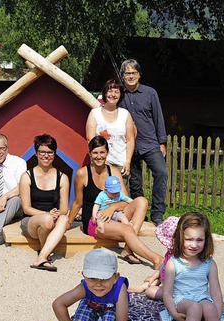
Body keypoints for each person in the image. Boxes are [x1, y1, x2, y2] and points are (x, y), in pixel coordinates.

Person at [68, 136, 163, 268]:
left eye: (102, 152)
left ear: (107, 153)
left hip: (115, 214)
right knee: (127, 229)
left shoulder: (114, 172)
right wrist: (68, 223)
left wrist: (112, 208)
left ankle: (128, 249)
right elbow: (77, 202)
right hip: (95, 220)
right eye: (95, 153)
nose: (99, 156)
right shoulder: (82, 174)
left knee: (141, 201)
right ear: (90, 154)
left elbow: (126, 201)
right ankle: (156, 259)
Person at [160, 212, 224, 321]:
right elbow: (167, 293)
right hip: (181, 300)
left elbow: (216, 293)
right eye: (189, 239)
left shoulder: (209, 263)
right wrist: (174, 313)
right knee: (195, 308)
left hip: (202, 298)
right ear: (180, 238)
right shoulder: (174, 263)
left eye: (199, 240)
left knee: (209, 308)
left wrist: (217, 315)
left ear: (206, 239)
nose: (193, 244)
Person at [118, 59, 168, 226]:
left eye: (133, 73)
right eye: (127, 73)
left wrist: (162, 142)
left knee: (161, 172)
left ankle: (157, 214)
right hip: (129, 145)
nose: (130, 76)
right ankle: (139, 214)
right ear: (123, 76)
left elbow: (158, 117)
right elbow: (106, 103)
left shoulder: (150, 93)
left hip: (150, 142)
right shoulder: (119, 93)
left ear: (139, 75)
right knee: (135, 181)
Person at [19, 134, 70, 272]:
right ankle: (45, 255)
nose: (46, 156)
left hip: (53, 218)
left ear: (54, 154)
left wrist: (57, 213)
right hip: (31, 220)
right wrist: (47, 214)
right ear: (36, 153)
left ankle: (42, 257)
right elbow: (27, 208)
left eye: (50, 152)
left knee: (64, 218)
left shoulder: (63, 178)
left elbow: (64, 209)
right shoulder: (27, 176)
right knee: (47, 220)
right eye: (42, 152)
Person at [85, 78, 135, 176]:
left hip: (120, 164)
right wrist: (103, 160)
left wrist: (128, 161)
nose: (113, 95)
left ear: (120, 95)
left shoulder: (125, 114)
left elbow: (130, 140)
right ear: (105, 93)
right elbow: (90, 139)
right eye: (110, 91)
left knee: (120, 191)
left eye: (117, 92)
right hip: (100, 163)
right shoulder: (95, 113)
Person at [128, 215, 179, 296]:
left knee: (150, 292)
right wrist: (153, 276)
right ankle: (143, 286)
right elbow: (163, 266)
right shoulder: (170, 253)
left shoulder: (178, 258)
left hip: (176, 289)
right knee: (154, 282)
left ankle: (153, 289)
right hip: (166, 280)